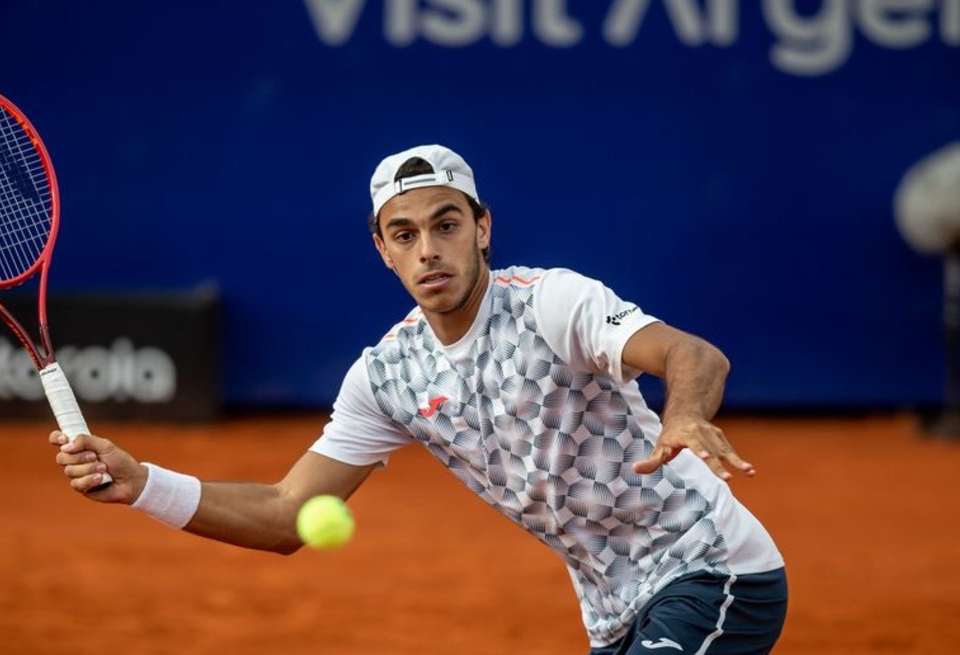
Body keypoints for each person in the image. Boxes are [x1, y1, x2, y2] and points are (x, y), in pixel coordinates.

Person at [50, 144, 787, 654]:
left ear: (483, 227)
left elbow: (693, 354)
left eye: (446, 224)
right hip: (613, 610)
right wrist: (142, 482)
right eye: (405, 233)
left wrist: (686, 411)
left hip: (713, 569)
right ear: (383, 248)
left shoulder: (555, 303)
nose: (428, 248)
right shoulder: (387, 376)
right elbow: (284, 515)